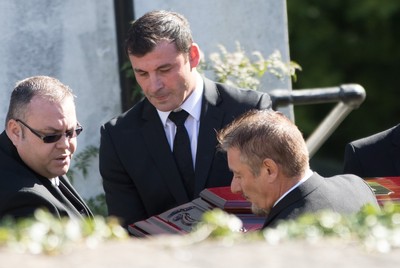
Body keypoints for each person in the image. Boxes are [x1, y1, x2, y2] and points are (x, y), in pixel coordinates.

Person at [99, 10, 272, 228]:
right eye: (142, 73)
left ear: (193, 56)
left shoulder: (249, 111)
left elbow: (275, 200)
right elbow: (127, 229)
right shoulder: (118, 136)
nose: (154, 86)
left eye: (164, 69)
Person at [217, 109, 379, 229]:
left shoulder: (281, 236)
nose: (234, 188)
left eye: (238, 175)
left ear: (269, 170)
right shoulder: (356, 186)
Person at [0, 76, 93, 221]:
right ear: (16, 131)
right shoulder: (22, 201)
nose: (65, 144)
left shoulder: (41, 161)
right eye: (51, 136)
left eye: (71, 132)